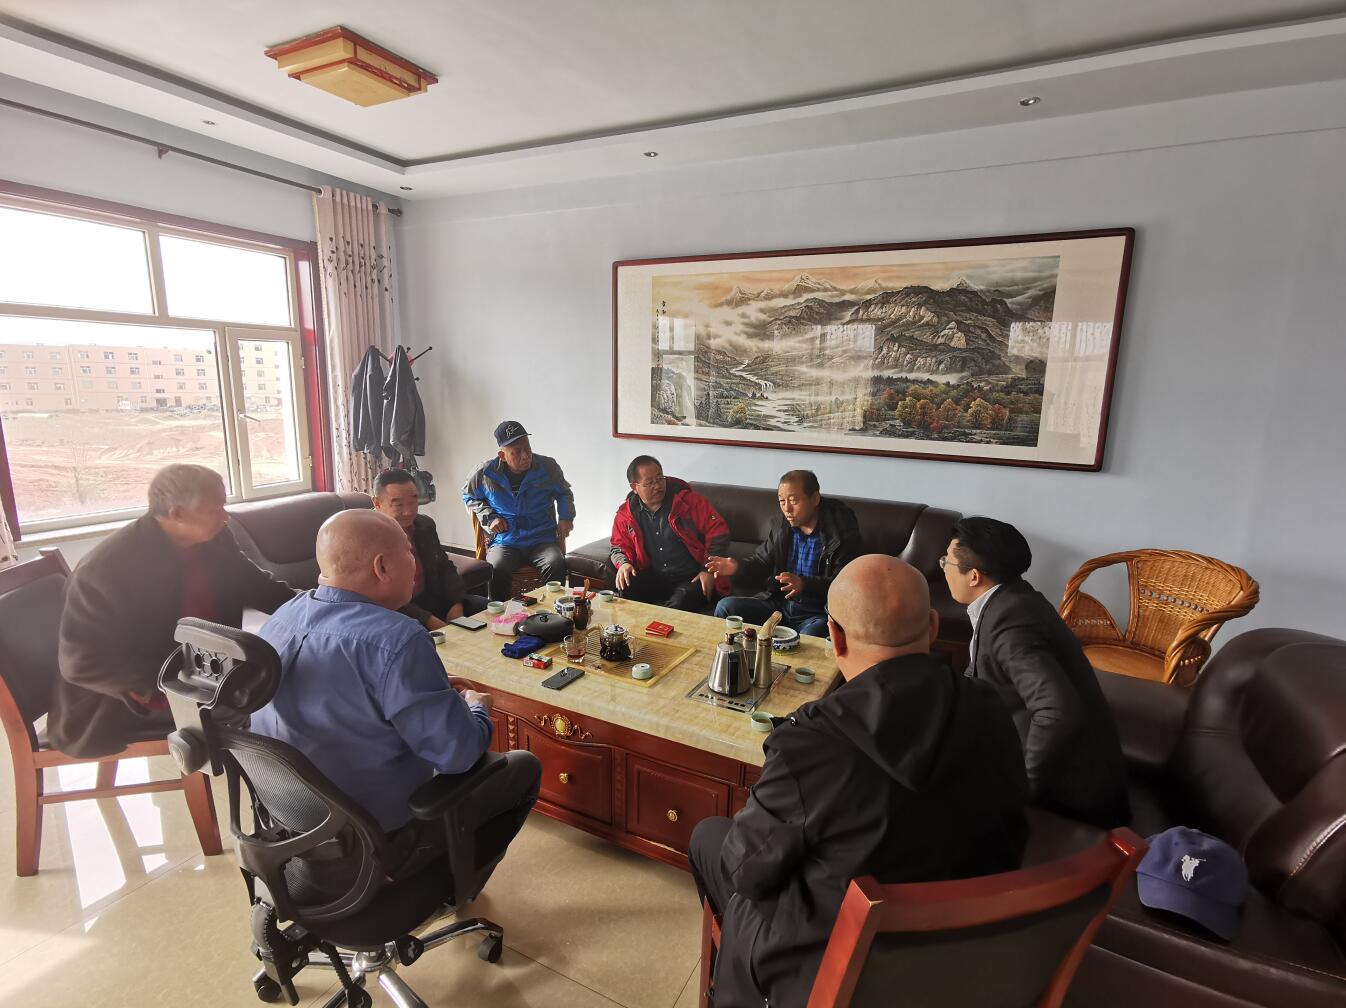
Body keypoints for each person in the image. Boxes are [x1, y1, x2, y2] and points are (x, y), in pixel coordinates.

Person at [690, 555, 1029, 1008]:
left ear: (834, 636)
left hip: (840, 970)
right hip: (963, 952)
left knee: (709, 837)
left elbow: (745, 870)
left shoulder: (811, 743)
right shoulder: (990, 705)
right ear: (932, 626)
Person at [250, 509, 541, 888]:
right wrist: (476, 708)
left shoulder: (283, 617)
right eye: (409, 552)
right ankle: (445, 887)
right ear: (382, 566)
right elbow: (458, 755)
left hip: (295, 829)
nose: (415, 563)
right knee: (522, 767)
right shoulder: (398, 638)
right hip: (379, 841)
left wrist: (426, 686)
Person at [49, 464, 295, 759]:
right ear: (177, 514)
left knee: (292, 682)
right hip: (128, 700)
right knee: (262, 711)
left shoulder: (214, 538)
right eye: (215, 509)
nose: (225, 516)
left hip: (207, 669)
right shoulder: (106, 570)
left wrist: (318, 606)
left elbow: (256, 585)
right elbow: (81, 664)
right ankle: (272, 785)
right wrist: (182, 677)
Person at [943, 516, 1130, 828]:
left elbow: (1058, 712)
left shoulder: (1011, 625)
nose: (943, 568)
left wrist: (1020, 789)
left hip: (1070, 792)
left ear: (973, 576)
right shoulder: (1014, 597)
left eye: (946, 561)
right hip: (1033, 750)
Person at [706, 470, 863, 638]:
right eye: (782, 501)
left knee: (810, 635)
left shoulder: (840, 532)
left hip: (818, 613)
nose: (787, 509)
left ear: (815, 498)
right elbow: (761, 563)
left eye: (794, 501)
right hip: (780, 606)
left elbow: (844, 585)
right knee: (726, 607)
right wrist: (737, 567)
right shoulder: (781, 526)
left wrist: (805, 584)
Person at [462, 421, 575, 601]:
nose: (525, 456)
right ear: (503, 455)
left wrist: (566, 518)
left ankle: (554, 612)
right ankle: (501, 614)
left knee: (556, 563)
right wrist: (490, 517)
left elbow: (564, 493)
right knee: (496, 568)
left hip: (541, 539)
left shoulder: (547, 467)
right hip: (506, 540)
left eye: (527, 448)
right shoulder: (485, 473)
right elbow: (469, 496)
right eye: (517, 451)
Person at [610, 455, 730, 611]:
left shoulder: (689, 502)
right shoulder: (626, 514)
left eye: (660, 478)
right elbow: (618, 546)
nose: (657, 486)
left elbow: (719, 532)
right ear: (634, 487)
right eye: (649, 482)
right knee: (626, 585)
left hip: (692, 576)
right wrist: (623, 563)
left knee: (680, 603)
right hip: (654, 575)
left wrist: (707, 570)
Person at [372, 467, 486, 628]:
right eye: (399, 504)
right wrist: (427, 619)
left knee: (488, 610)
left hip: (432, 600)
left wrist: (456, 603)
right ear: (377, 503)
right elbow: (383, 596)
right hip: (398, 613)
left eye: (413, 501)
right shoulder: (367, 538)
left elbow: (444, 566)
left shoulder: (424, 524)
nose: (409, 511)